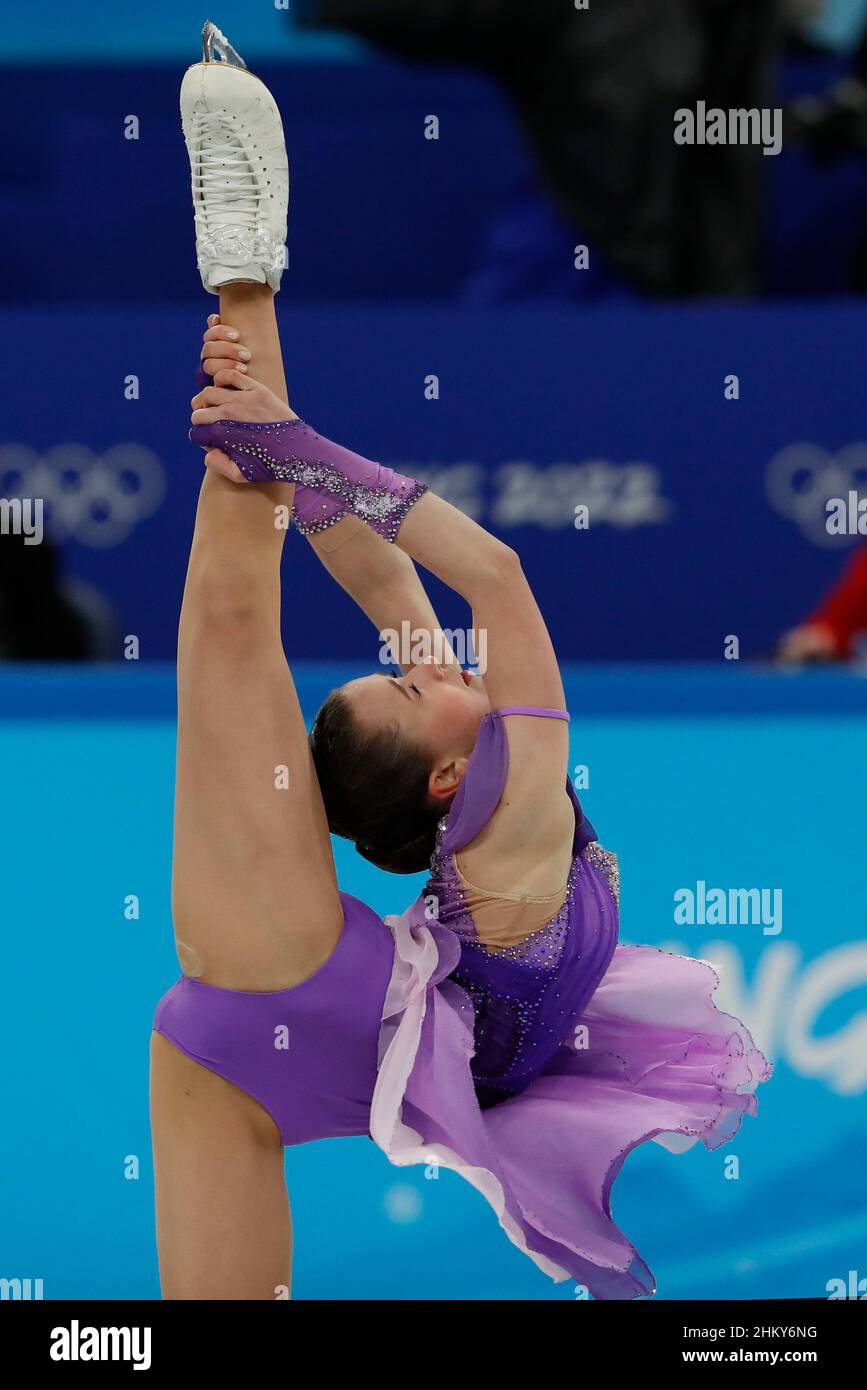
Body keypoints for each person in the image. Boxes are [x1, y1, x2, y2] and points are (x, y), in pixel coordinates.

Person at [151, 23, 770, 1301]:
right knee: (232, 604)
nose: (424, 663)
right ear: (442, 774)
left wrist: (284, 446)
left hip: (305, 1015)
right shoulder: (514, 808)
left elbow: (400, 576)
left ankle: (242, 270)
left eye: (407, 673)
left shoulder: (485, 805)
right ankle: (244, 270)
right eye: (411, 683)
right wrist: (284, 444)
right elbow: (482, 572)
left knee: (229, 608)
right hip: (326, 1012)